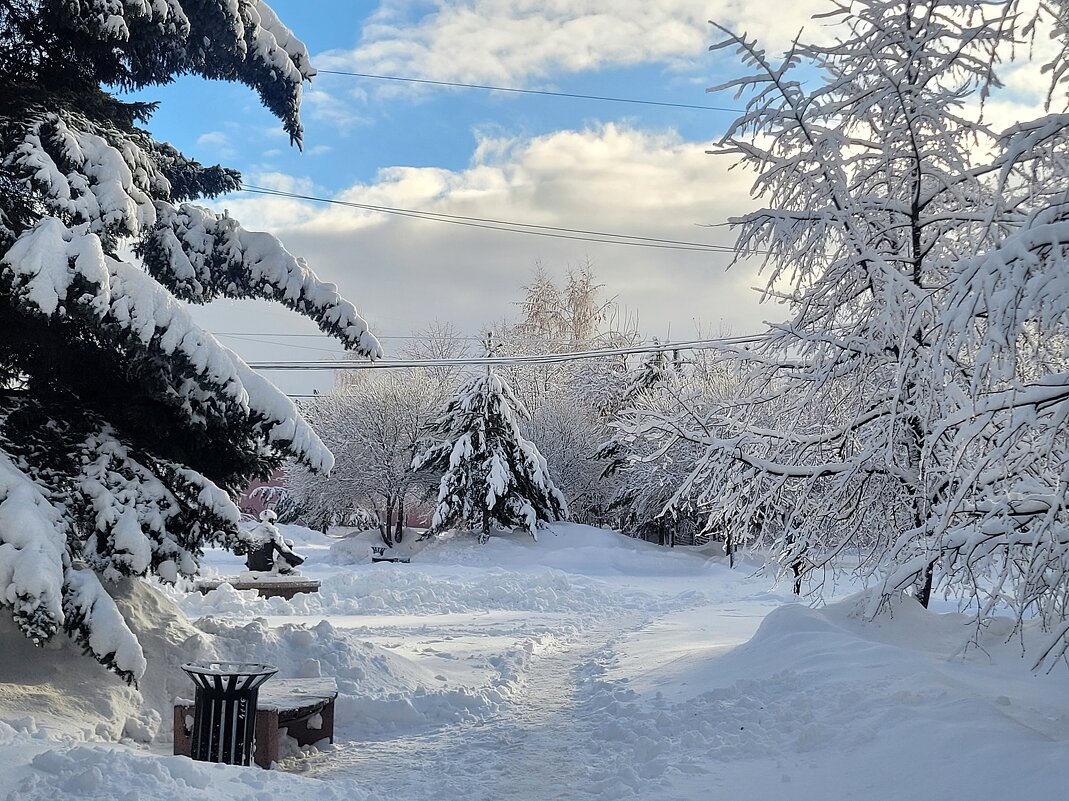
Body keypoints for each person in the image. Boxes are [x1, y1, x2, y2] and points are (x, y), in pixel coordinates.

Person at [239, 510, 306, 574]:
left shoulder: (252, 532)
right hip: (267, 567)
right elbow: (284, 551)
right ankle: (286, 569)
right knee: (288, 544)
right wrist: (299, 559)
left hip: (252, 567)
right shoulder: (271, 532)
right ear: (272, 520)